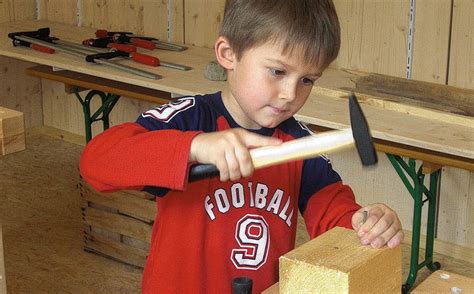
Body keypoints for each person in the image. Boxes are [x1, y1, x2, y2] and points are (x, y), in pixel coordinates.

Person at [80, 0, 404, 292]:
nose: (291, 93)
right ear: (228, 54)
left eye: (307, 80)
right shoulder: (188, 120)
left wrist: (364, 222)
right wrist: (194, 147)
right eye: (278, 71)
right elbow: (97, 162)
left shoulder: (300, 146)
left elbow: (332, 212)